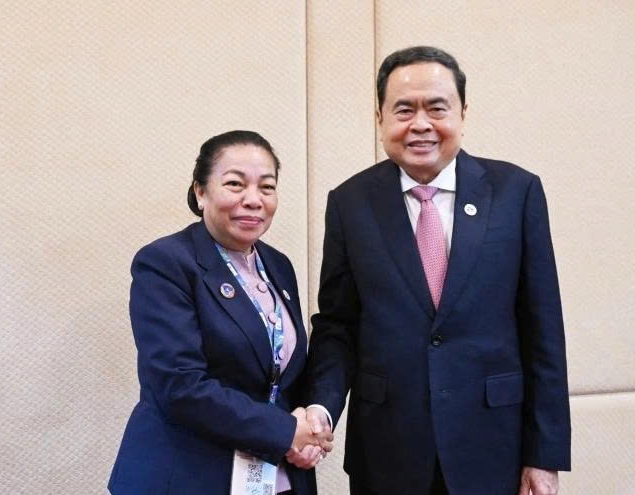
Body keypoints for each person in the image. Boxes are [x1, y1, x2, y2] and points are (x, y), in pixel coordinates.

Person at [304, 46, 571, 494]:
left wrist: (543, 455)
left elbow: (543, 329)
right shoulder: (350, 203)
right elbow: (338, 325)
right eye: (404, 109)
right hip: (387, 449)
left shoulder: (515, 192)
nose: (421, 124)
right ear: (380, 117)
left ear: (463, 113)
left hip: (493, 446)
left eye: (437, 108)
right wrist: (322, 406)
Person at [109, 130, 331, 495]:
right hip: (186, 475)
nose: (253, 200)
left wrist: (309, 426)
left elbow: (281, 372)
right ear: (200, 192)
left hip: (273, 478)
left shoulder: (277, 265)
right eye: (235, 184)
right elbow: (179, 386)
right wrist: (285, 431)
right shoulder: (166, 263)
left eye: (267, 187)